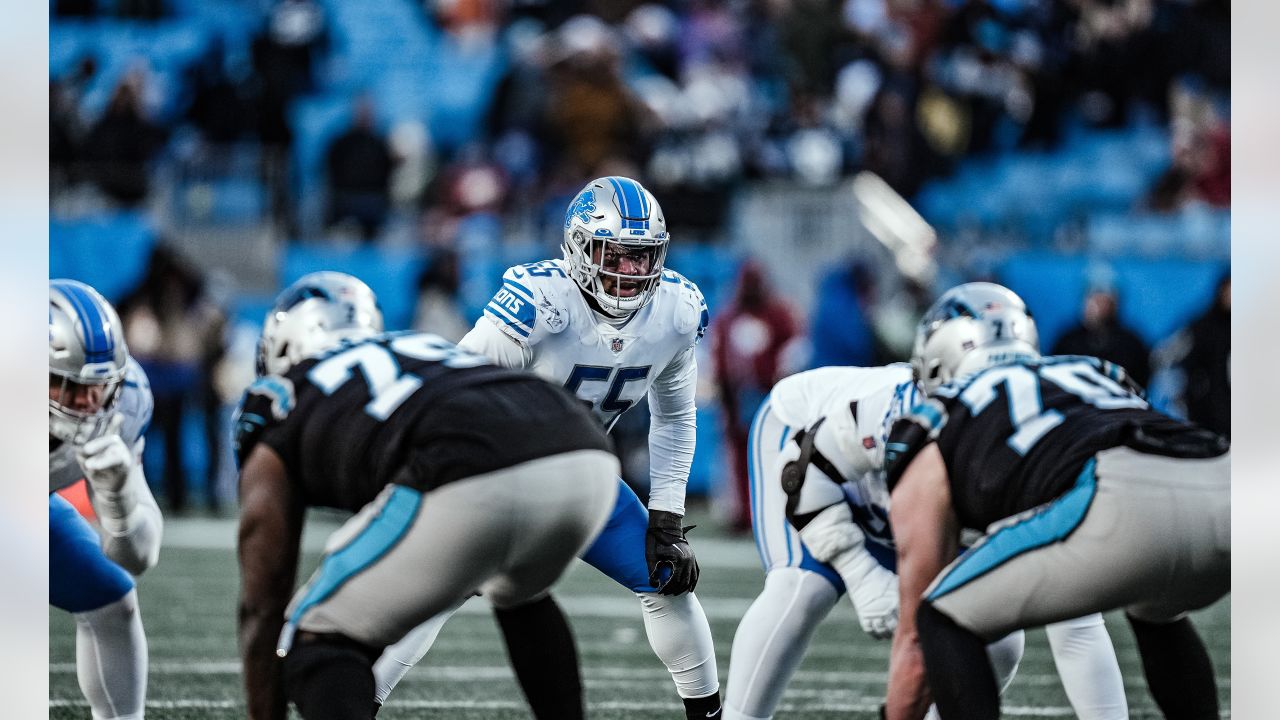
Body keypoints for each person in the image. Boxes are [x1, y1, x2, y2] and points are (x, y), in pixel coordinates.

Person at [234, 272, 619, 720]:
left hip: (469, 466)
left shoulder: (280, 394)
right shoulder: (418, 347)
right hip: (584, 450)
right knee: (522, 595)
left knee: (317, 634)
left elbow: (265, 590)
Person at [880, 282, 1229, 720]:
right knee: (1155, 607)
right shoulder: (1095, 370)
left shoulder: (936, 416)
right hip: (1227, 474)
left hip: (1122, 494)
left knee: (940, 617)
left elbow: (914, 642)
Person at [453, 176, 724, 718]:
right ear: (579, 248)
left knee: (666, 580)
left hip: (580, 478)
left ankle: (709, 714)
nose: (631, 272)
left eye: (643, 258)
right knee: (437, 587)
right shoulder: (539, 301)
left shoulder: (675, 309)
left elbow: (674, 417)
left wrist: (666, 516)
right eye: (616, 255)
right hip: (498, 476)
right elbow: (454, 392)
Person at [723, 361, 1129, 720]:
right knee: (803, 587)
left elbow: (1077, 626)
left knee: (1000, 641)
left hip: (908, 495)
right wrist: (859, 571)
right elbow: (802, 474)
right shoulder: (892, 414)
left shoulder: (1043, 455)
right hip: (806, 451)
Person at [49, 279, 163, 720]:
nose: (88, 403)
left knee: (111, 598)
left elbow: (139, 555)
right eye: (68, 386)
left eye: (98, 386)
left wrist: (117, 499)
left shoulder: (125, 402)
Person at [711, 260, 800, 532]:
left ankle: (771, 510)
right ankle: (744, 512)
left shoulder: (779, 314)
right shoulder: (729, 316)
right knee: (739, 457)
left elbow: (794, 350)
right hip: (738, 397)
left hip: (769, 395)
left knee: (773, 453)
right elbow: (719, 355)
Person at [1050, 284, 1152, 389]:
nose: (1096, 307)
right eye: (1093, 300)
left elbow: (1140, 381)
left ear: (1114, 304)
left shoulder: (1130, 343)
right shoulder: (1068, 341)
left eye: (1102, 301)